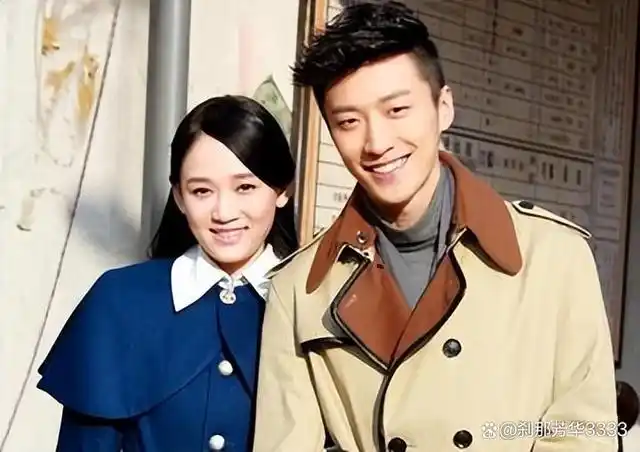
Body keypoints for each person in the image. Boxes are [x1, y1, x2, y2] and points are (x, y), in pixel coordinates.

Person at [252, 2, 617, 451]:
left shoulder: (554, 256)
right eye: (349, 122)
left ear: (443, 107)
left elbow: (585, 434)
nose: (377, 143)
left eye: (397, 109)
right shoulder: (299, 289)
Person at [37, 95, 298, 451]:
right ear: (178, 197)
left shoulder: (311, 305)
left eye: (245, 187)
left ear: (282, 191)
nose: (224, 212)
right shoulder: (118, 301)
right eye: (201, 191)